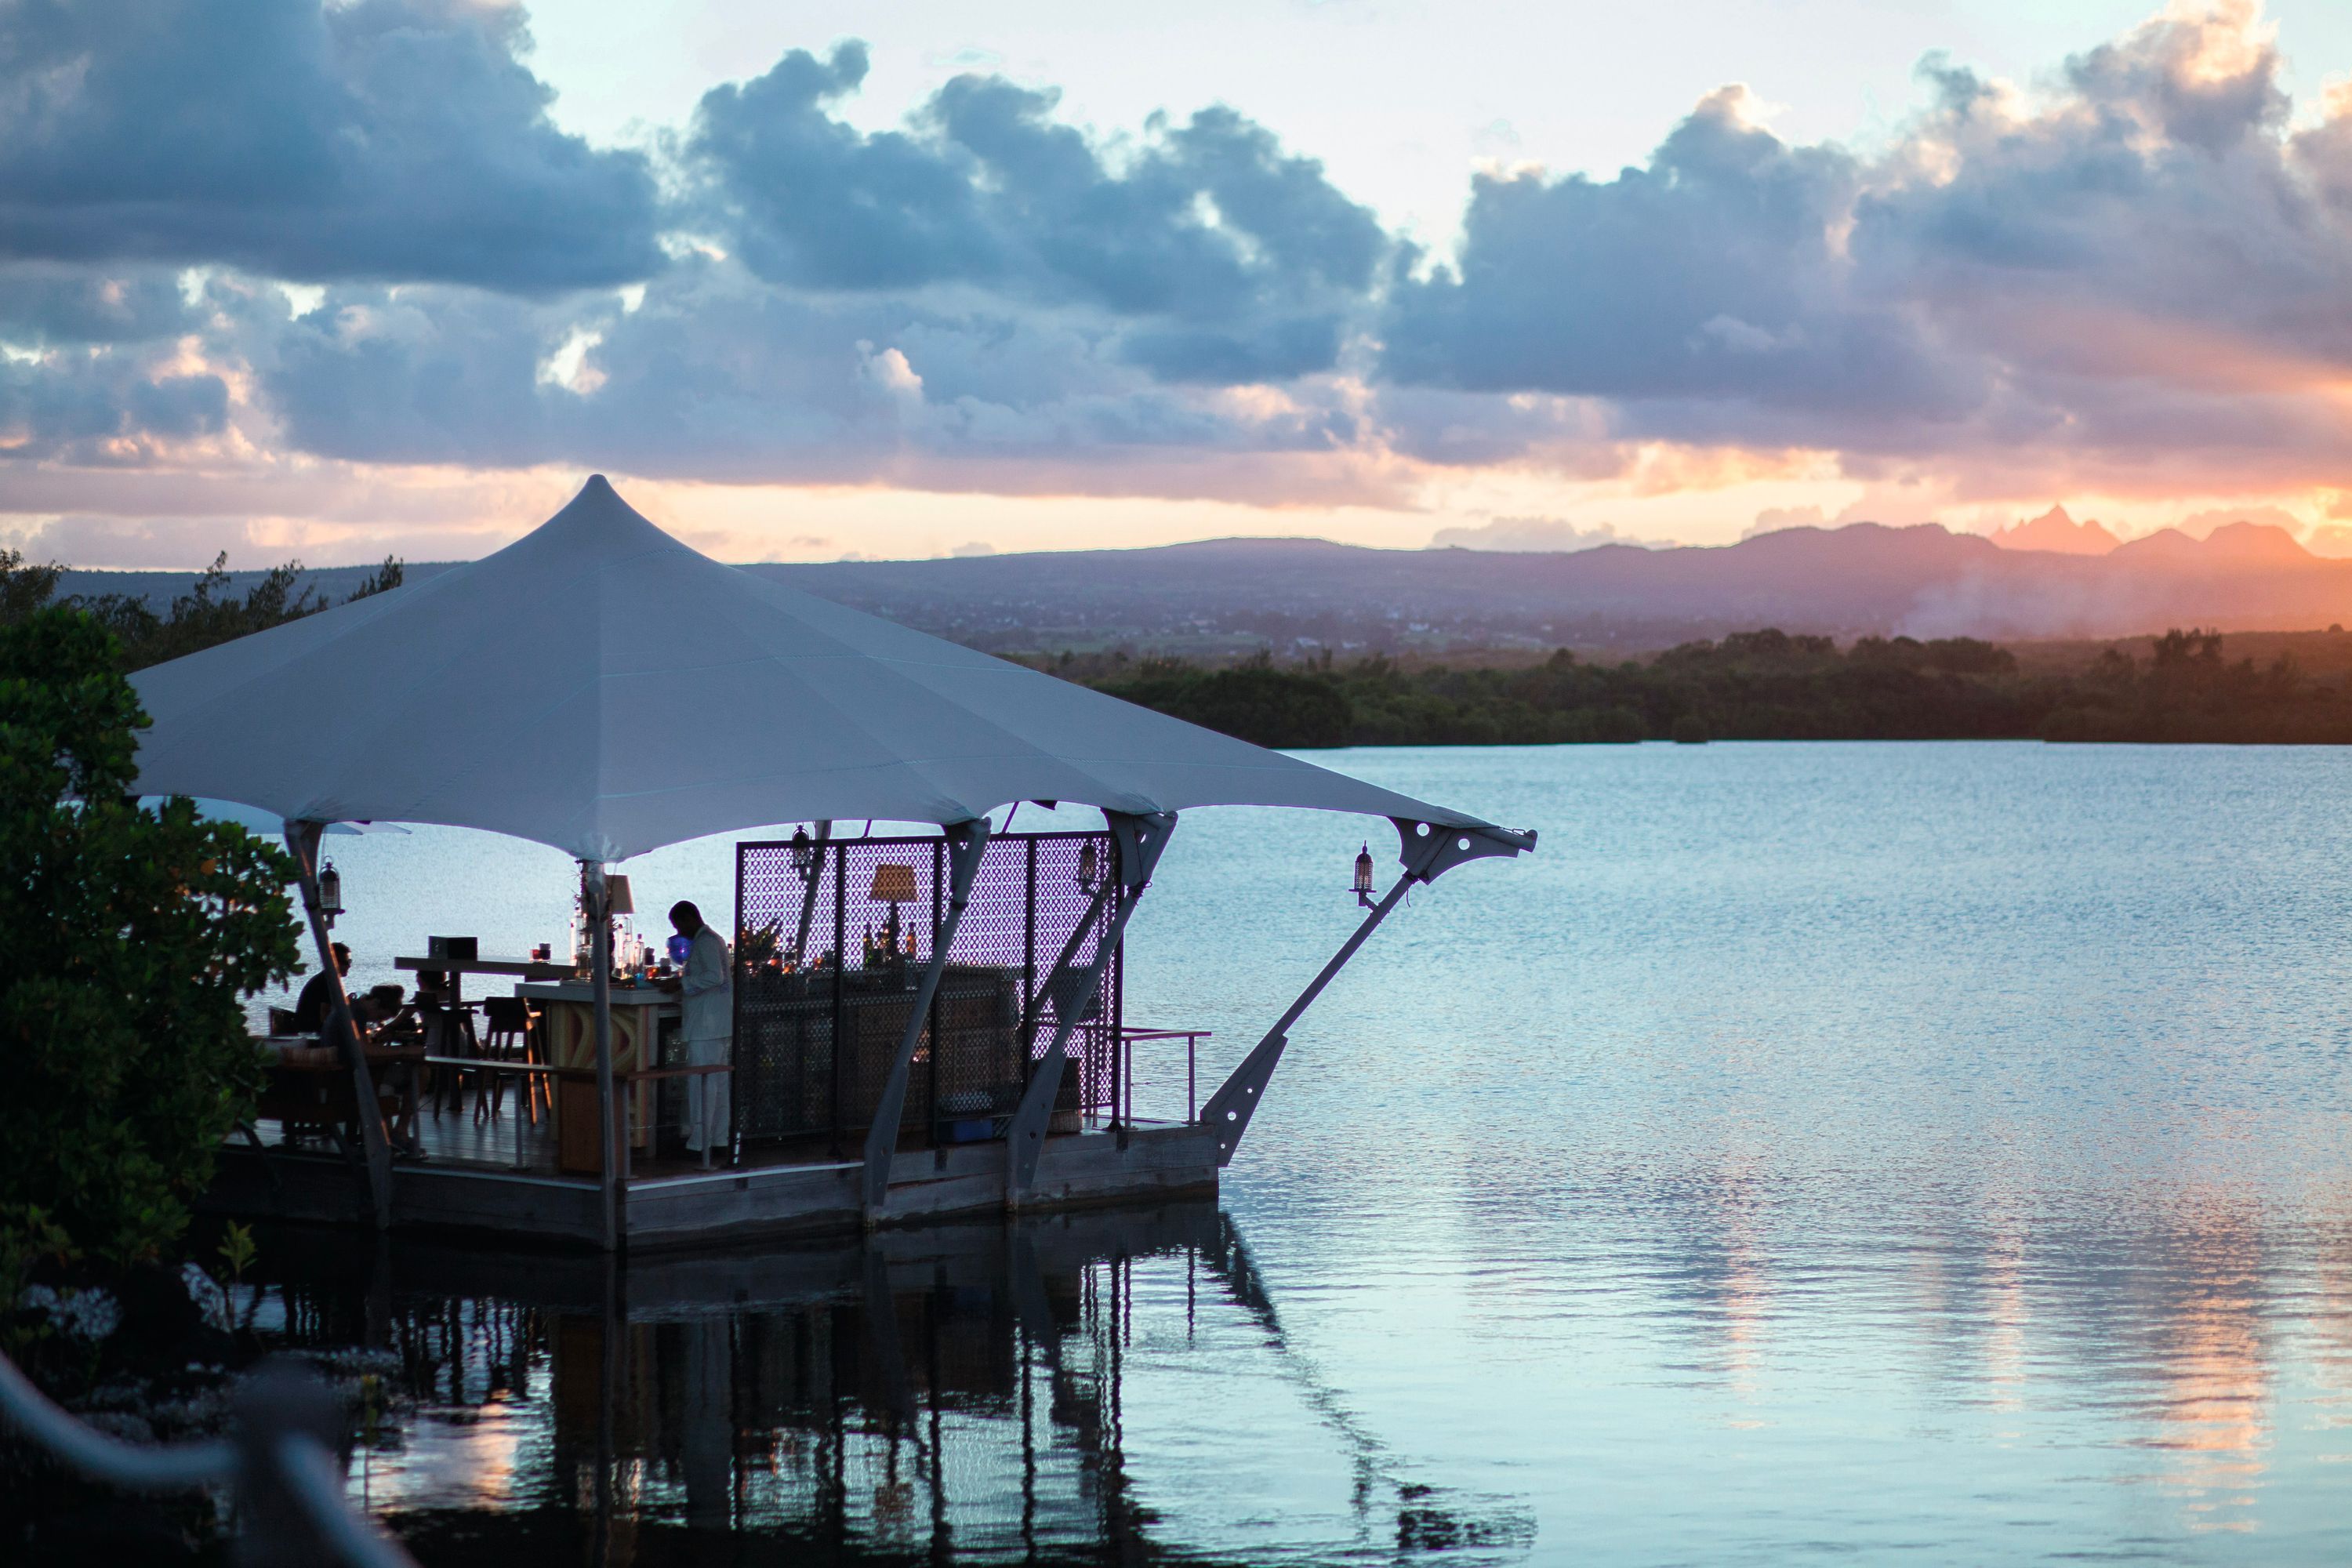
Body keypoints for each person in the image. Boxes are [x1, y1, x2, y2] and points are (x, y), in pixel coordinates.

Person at [659, 901, 731, 1164]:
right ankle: (719, 1140)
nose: (680, 932)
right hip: (717, 1022)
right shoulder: (715, 940)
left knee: (703, 1084)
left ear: (690, 918)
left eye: (679, 925)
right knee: (718, 1085)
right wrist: (683, 990)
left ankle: (699, 1144)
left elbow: (715, 977)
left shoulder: (705, 943)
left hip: (706, 1025)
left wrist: (682, 983)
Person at [291, 942, 354, 1034]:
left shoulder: (326, 979)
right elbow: (325, 1017)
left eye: (349, 962)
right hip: (312, 1033)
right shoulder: (327, 982)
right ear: (333, 962)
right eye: (344, 962)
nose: (349, 966)